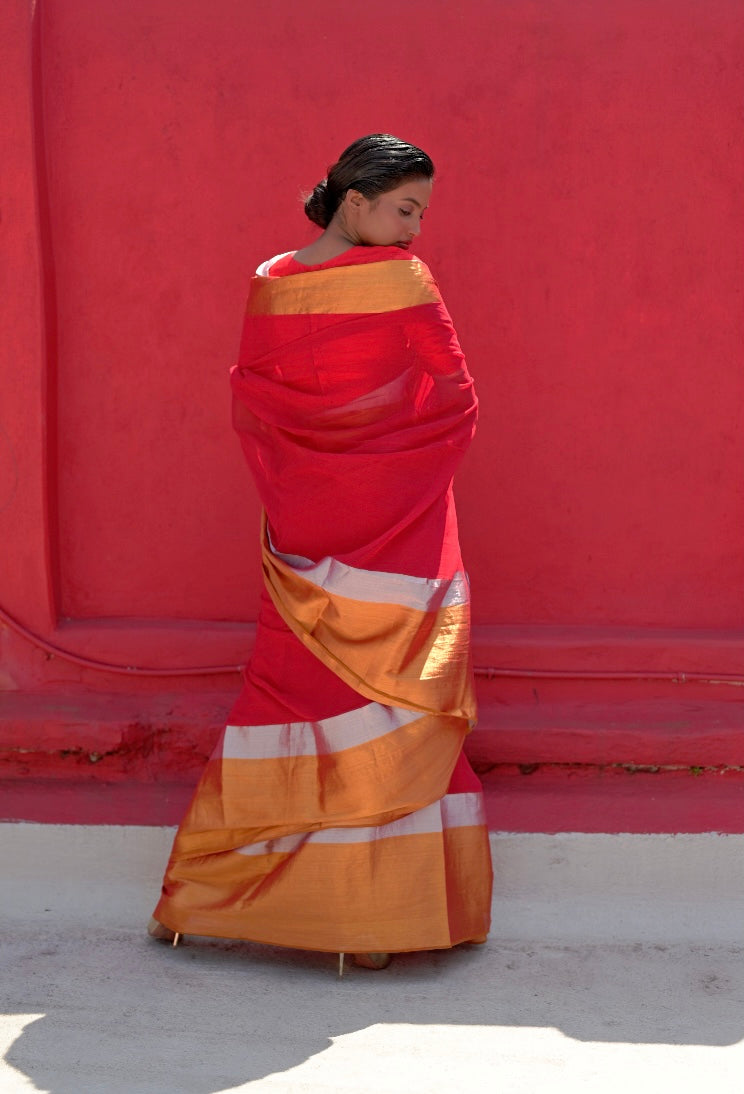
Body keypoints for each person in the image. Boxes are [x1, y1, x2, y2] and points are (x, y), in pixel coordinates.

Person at [149, 134, 493, 972]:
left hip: (303, 524)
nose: (414, 228)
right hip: (395, 520)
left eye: (420, 212)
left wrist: (324, 473)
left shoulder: (274, 282)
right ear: (354, 198)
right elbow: (453, 398)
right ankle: (371, 922)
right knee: (392, 700)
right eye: (405, 207)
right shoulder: (400, 282)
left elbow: (260, 410)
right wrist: (386, 464)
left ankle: (202, 898)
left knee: (288, 696)